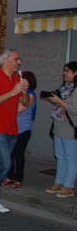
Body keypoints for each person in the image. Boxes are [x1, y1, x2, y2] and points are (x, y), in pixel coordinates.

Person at [0, 50, 29, 213]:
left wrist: (24, 90)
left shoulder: (16, 79)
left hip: (12, 128)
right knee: (5, 164)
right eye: (16, 59)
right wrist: (12, 92)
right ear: (6, 61)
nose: (19, 62)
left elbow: (25, 103)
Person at [42, 62, 77, 198]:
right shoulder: (64, 87)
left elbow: (73, 109)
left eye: (67, 71)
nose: (64, 73)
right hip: (59, 125)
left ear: (75, 73)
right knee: (60, 155)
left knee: (70, 157)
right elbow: (62, 105)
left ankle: (69, 185)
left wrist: (58, 100)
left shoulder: (75, 89)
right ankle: (59, 182)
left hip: (70, 127)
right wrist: (55, 98)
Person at [3, 71, 37, 189]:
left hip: (23, 128)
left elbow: (19, 109)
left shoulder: (30, 95)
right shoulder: (15, 94)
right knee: (9, 153)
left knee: (19, 154)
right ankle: (10, 176)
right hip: (12, 127)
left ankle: (18, 178)